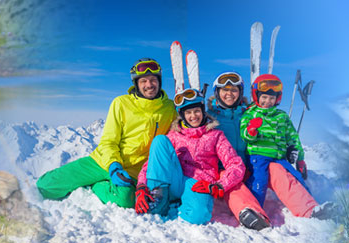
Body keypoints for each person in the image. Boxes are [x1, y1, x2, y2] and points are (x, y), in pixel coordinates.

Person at [36, 58, 177, 208]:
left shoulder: (169, 109)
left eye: (153, 80)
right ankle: (95, 177)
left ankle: (95, 186)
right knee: (46, 186)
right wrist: (114, 166)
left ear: (159, 81)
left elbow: (184, 129)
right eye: (143, 81)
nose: (149, 85)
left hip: (134, 171)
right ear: (136, 83)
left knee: (125, 200)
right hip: (103, 162)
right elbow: (109, 141)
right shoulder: (121, 103)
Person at [133, 88, 246, 225]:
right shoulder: (175, 134)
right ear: (182, 115)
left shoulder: (215, 135)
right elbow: (155, 161)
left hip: (198, 184)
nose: (193, 116)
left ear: (202, 111)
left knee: (198, 217)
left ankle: (180, 202)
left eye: (197, 111)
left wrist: (220, 185)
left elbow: (235, 164)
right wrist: (141, 185)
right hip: (175, 178)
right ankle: (158, 200)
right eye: (188, 112)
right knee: (160, 141)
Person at [241, 74, 317, 218]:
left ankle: (312, 207)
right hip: (258, 155)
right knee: (259, 181)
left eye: (271, 98)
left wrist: (299, 158)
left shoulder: (281, 116)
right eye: (264, 97)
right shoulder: (250, 114)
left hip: (278, 157)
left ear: (277, 98)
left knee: (294, 177)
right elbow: (244, 134)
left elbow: (293, 137)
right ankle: (254, 210)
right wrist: (251, 131)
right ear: (256, 96)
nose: (267, 101)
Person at [206, 71, 271, 230]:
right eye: (225, 90)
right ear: (217, 92)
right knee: (234, 185)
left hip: (248, 165)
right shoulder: (209, 117)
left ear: (240, 93)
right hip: (222, 169)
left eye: (234, 90)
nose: (229, 94)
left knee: (275, 170)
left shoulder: (248, 114)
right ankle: (249, 212)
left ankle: (308, 206)